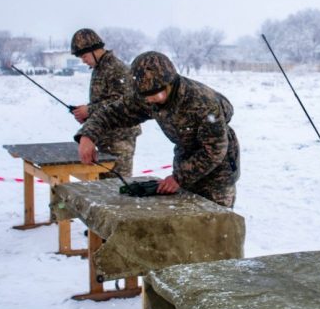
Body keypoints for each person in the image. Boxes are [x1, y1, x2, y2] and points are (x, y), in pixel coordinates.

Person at [76, 51, 240, 208]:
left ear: (171, 82)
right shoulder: (148, 95)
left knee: (215, 227)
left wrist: (179, 178)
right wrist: (87, 136)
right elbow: (112, 113)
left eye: (156, 93)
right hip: (185, 163)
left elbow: (215, 150)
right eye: (145, 94)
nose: (150, 99)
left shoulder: (202, 102)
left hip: (218, 173)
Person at [70, 28, 141, 178]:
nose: (83, 60)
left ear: (95, 50)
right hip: (104, 137)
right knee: (104, 188)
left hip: (120, 139)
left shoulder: (116, 69)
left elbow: (121, 103)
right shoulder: (99, 69)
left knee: (117, 188)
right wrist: (88, 116)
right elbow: (103, 102)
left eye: (84, 56)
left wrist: (89, 110)